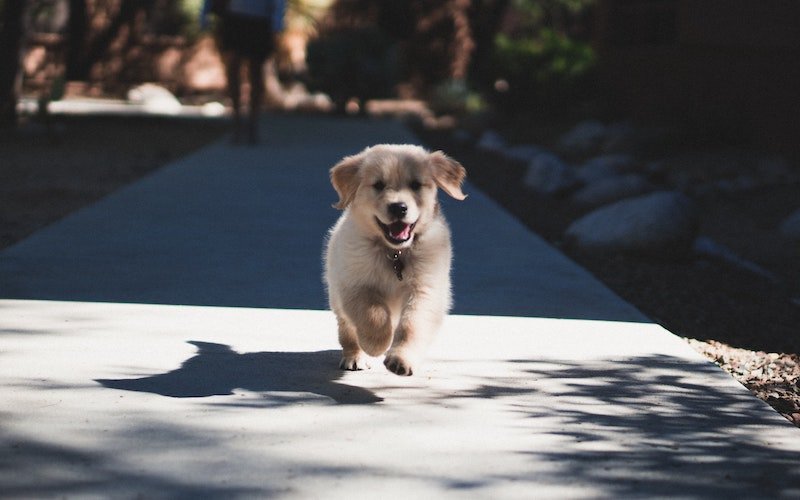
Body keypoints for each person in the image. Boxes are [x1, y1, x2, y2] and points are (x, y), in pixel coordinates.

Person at [202, 0, 285, 144]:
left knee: (256, 73)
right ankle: (236, 122)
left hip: (259, 21)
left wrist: (277, 23)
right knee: (233, 70)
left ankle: (253, 124)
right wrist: (204, 13)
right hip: (234, 19)